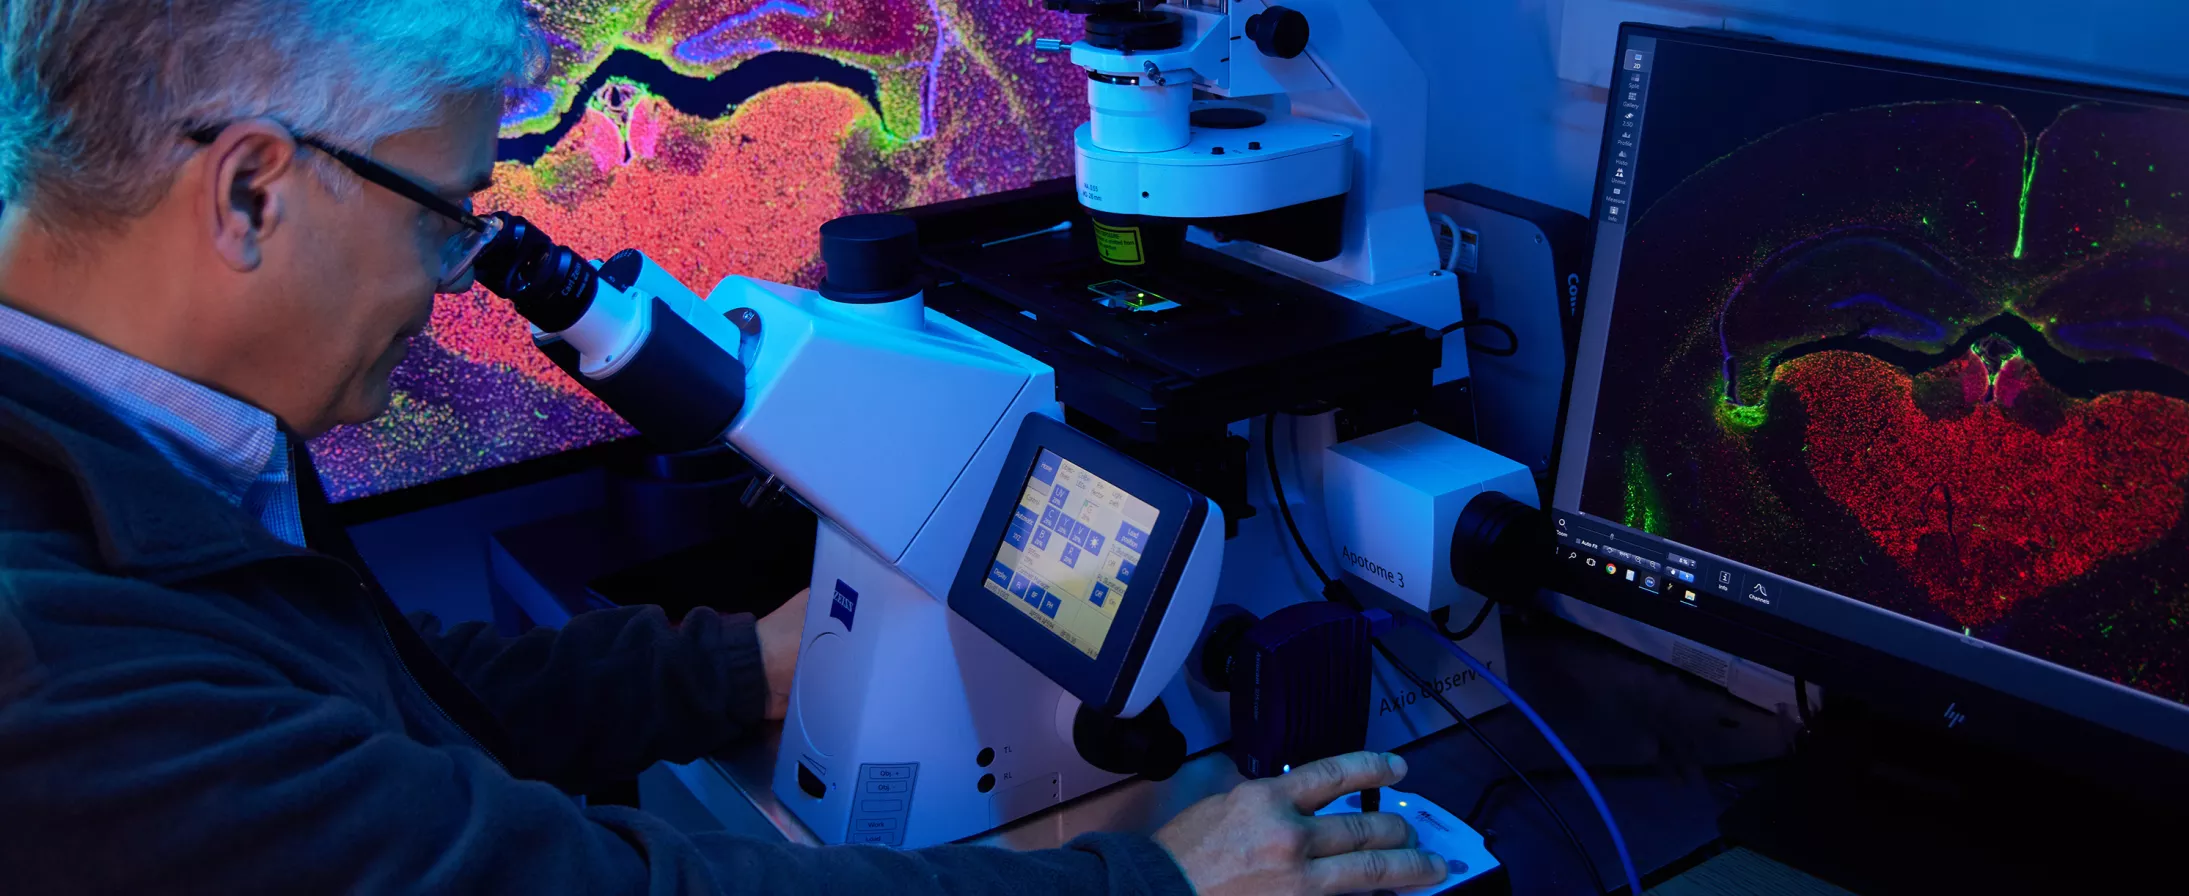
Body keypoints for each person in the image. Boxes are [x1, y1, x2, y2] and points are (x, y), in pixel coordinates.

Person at [0, 2, 1451, 894]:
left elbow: (375, 695)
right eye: (444, 214)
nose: (450, 279)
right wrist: (1154, 884)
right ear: (251, 194)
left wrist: (739, 668)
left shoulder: (149, 441)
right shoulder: (53, 672)